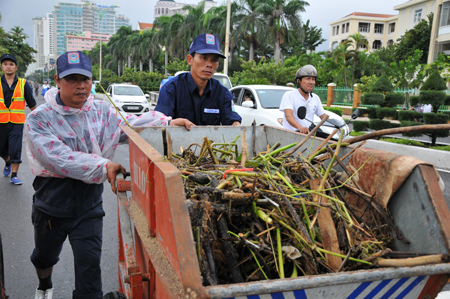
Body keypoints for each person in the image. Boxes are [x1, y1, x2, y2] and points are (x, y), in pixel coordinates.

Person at [25, 51, 194, 299]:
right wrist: (104, 166)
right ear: (57, 80)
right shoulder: (39, 119)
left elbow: (131, 125)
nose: (81, 85)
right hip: (52, 202)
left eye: (85, 79)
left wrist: (166, 123)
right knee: (45, 256)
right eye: (72, 79)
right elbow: (58, 157)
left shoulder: (102, 111)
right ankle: (44, 283)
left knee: (89, 267)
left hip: (88, 203)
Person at [155, 33, 242, 126]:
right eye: (204, 58)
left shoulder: (222, 93)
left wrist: (237, 127)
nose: (209, 64)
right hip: (177, 140)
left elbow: (233, 121)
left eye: (214, 60)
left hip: (210, 140)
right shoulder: (171, 89)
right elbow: (159, 122)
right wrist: (171, 123)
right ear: (190, 60)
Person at [0, 54, 37, 185]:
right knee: (1, 149)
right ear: (2, 66)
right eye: (5, 64)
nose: (8, 67)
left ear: (15, 67)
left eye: (11, 64)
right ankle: (7, 161)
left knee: (15, 148)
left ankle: (14, 175)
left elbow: (32, 103)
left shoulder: (23, 83)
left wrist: (40, 121)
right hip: (1, 122)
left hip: (16, 122)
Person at [279, 64, 326, 134]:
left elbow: (324, 117)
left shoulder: (315, 98)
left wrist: (337, 126)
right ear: (298, 81)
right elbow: (288, 116)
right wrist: (300, 127)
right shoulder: (289, 95)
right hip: (291, 135)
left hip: (308, 136)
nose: (311, 82)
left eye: (313, 79)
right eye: (308, 79)